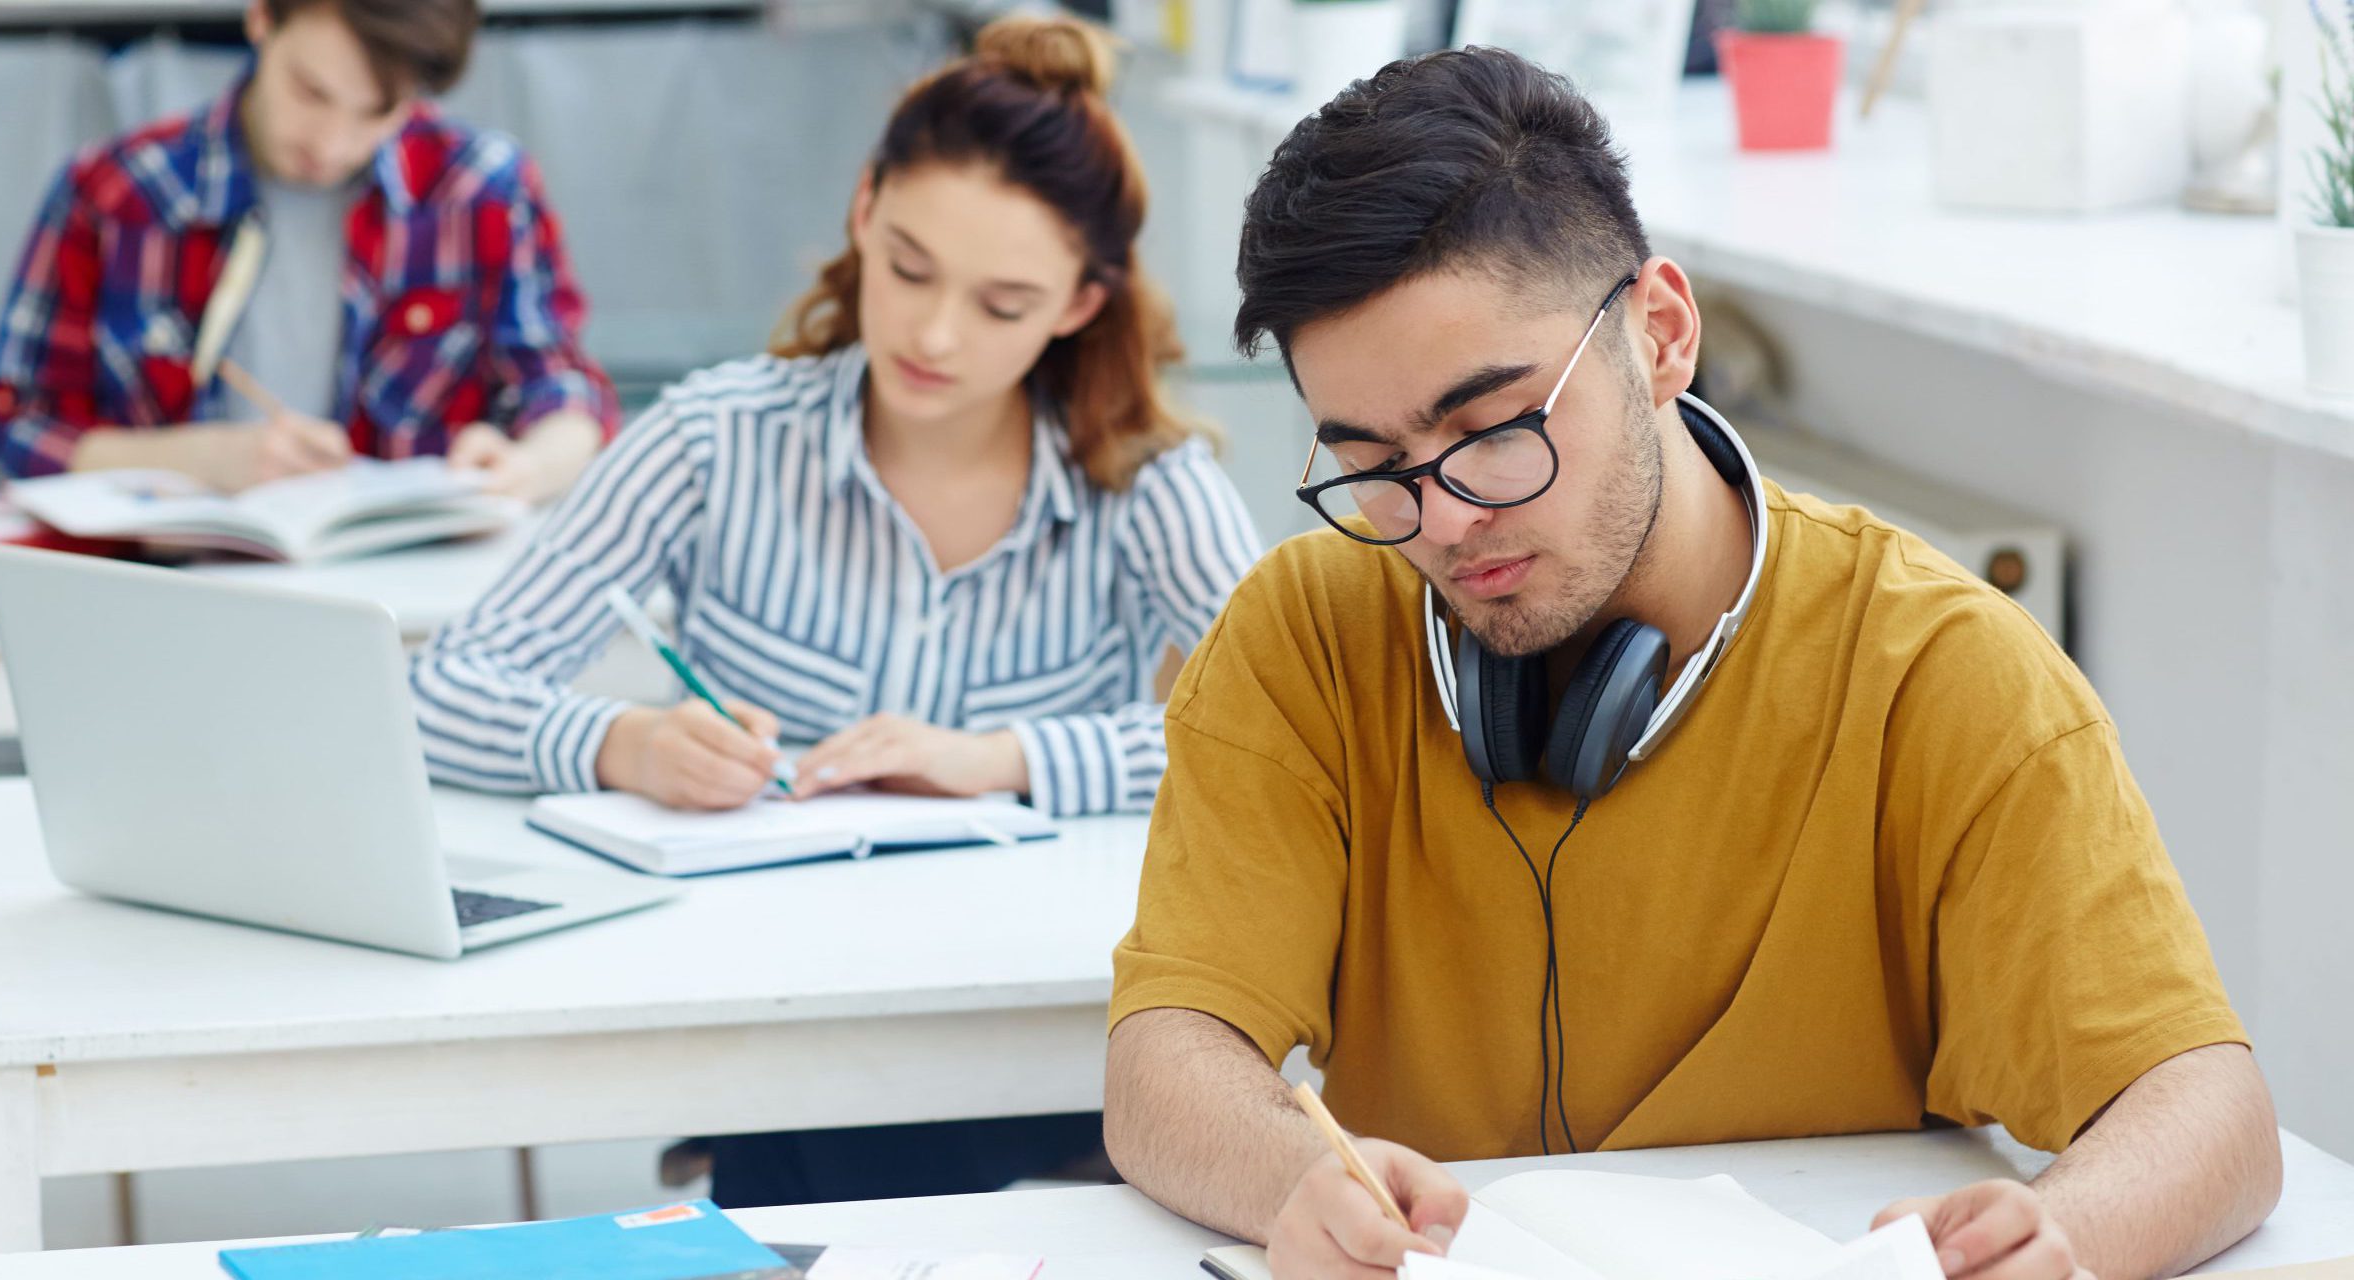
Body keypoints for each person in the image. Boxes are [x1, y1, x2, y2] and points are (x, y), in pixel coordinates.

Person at [1102, 46, 2281, 1280]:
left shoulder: (1941, 672)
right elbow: (1164, 1059)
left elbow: (2208, 1110)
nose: (1441, 522)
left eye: (1492, 431)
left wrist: (2071, 1231)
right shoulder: (1301, 632)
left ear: (1660, 335)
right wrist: (1296, 1180)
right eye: (1375, 465)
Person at [411, 16, 1262, 1204]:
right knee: (823, 1138)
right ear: (862, 211)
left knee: (814, 1153)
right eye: (909, 267)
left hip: (1027, 1013)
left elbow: (1289, 737)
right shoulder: (716, 439)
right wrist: (624, 742)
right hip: (766, 999)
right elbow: (439, 690)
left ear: (1079, 302)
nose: (933, 333)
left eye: (1003, 302)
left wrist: (1002, 759)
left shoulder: (1145, 479)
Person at [0, 0, 613, 501]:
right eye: (311, 92)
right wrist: (199, 459)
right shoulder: (116, 191)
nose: (333, 142)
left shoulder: (484, 190)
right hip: (166, 592)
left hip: (406, 603)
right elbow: (21, 436)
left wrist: (527, 465)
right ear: (262, 18)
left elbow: (566, 392)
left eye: (378, 111)